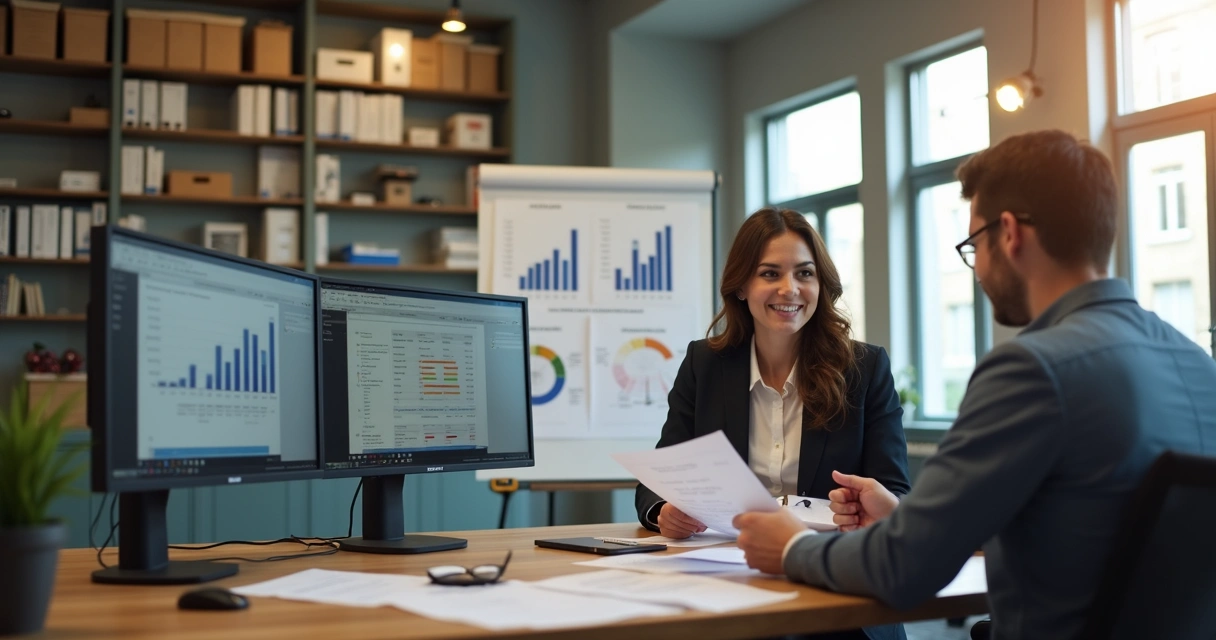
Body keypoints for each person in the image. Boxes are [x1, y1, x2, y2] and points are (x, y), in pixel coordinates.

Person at [732, 130, 1216, 639]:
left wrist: (789, 546)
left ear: (1009, 234)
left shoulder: (1033, 370)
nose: (978, 269)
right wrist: (904, 517)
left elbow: (904, 567)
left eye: (974, 245)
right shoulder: (1198, 365)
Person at [635, 207, 911, 640]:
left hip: (836, 591)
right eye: (769, 274)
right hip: (729, 587)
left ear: (821, 284)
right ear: (742, 286)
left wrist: (872, 508)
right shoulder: (704, 364)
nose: (790, 289)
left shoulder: (864, 368)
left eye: (805, 273)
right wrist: (664, 511)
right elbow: (658, 478)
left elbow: (895, 492)